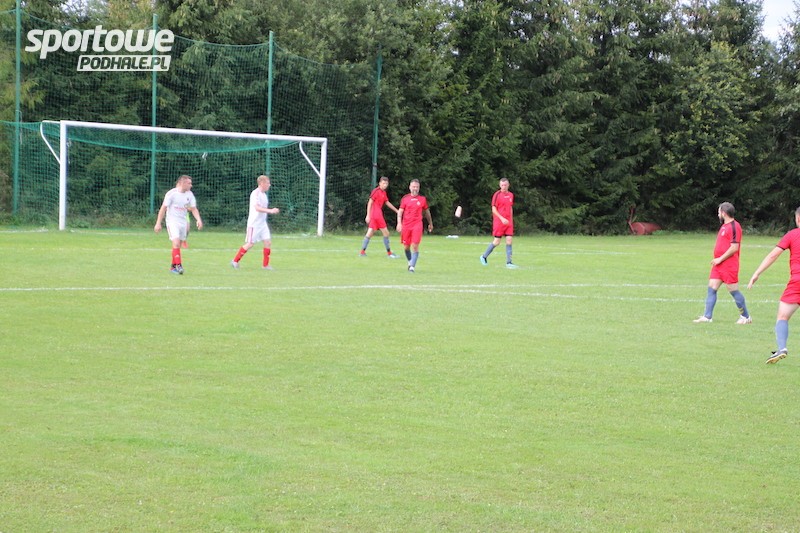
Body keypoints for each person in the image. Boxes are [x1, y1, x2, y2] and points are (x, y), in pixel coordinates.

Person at [747, 206, 800, 363]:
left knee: (782, 316)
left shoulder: (792, 235)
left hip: (797, 282)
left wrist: (757, 273)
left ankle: (782, 348)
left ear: (798, 219)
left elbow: (773, 255)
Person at [693, 202, 751, 324]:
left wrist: (720, 259)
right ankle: (707, 317)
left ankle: (745, 317)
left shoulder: (735, 226)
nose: (718, 214)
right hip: (719, 265)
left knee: (733, 290)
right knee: (711, 288)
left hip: (729, 265)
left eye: (719, 212)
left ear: (724, 213)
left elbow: (734, 248)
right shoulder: (724, 226)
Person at [154, 175, 203, 274]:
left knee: (178, 245)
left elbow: (194, 209)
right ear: (182, 183)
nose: (191, 185)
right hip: (172, 221)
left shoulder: (190, 195)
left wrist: (198, 220)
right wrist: (158, 223)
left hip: (183, 221)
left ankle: (173, 267)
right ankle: (179, 266)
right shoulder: (171, 194)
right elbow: (163, 208)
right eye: (189, 183)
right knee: (176, 242)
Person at [231, 175, 280, 270]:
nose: (269, 185)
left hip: (262, 224)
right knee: (250, 244)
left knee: (267, 242)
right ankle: (235, 261)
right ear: (261, 183)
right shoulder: (255, 193)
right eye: (267, 183)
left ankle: (265, 265)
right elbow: (257, 208)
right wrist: (270, 211)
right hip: (254, 224)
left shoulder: (264, 195)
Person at [480, 177, 518, 268]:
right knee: (497, 242)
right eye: (502, 185)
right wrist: (501, 218)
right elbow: (493, 209)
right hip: (499, 222)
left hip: (508, 222)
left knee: (509, 240)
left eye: (505, 185)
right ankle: (484, 256)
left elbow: (510, 207)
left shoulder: (511, 195)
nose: (503, 187)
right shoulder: (497, 195)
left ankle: (509, 262)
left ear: (508, 185)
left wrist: (511, 219)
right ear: (500, 185)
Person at [396, 179, 433, 273]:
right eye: (413, 187)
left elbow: (427, 212)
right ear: (410, 187)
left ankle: (412, 267)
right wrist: (399, 223)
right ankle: (410, 261)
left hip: (417, 225)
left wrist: (430, 223)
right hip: (406, 225)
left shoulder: (422, 199)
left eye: (417, 187)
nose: (415, 188)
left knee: (415, 246)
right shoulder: (405, 199)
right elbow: (400, 212)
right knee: (406, 247)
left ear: (419, 188)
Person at [360, 176, 399, 258]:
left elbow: (387, 202)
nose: (385, 185)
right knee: (386, 233)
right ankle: (389, 254)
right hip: (376, 215)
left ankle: (362, 252)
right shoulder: (376, 191)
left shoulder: (383, 192)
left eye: (386, 184)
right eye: (383, 183)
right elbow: (370, 203)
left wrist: (396, 210)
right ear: (380, 183)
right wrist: (368, 215)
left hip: (376, 215)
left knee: (370, 233)